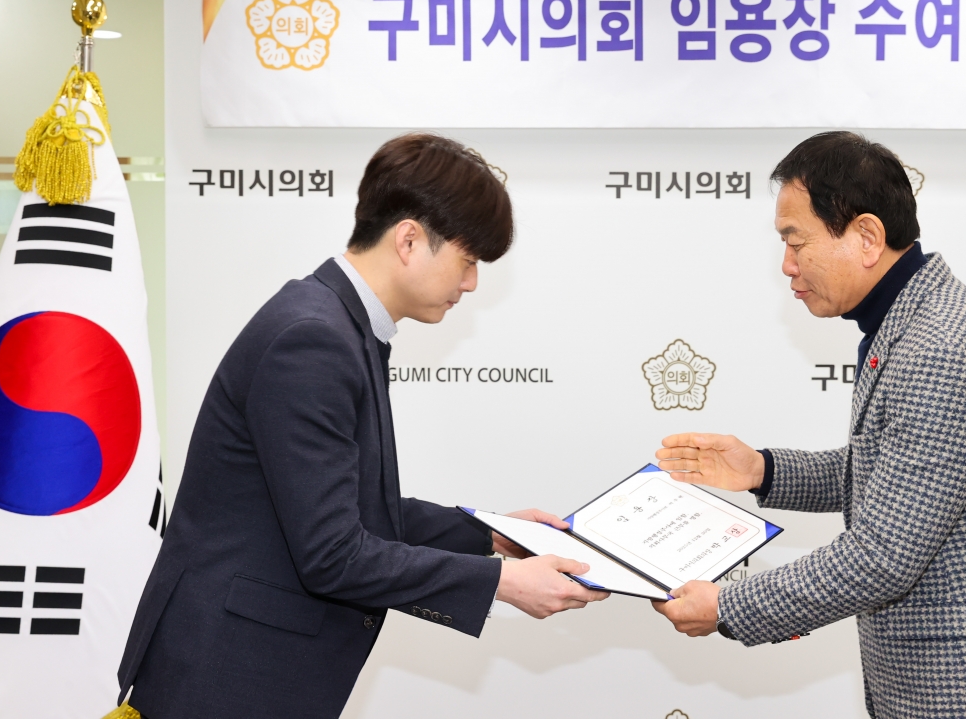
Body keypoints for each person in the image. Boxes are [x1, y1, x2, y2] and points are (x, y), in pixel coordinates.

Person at [117, 133, 606, 719]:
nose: (472, 284)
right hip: (224, 675)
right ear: (409, 240)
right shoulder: (314, 339)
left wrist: (491, 534)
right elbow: (333, 554)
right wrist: (500, 581)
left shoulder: (338, 325)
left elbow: (351, 508)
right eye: (468, 260)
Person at [652, 131, 966, 718]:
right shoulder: (912, 319)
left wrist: (729, 606)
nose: (786, 265)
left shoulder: (939, 348)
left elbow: (881, 556)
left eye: (796, 241)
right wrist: (763, 470)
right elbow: (896, 474)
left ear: (866, 236)